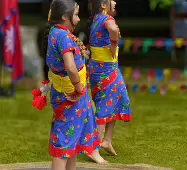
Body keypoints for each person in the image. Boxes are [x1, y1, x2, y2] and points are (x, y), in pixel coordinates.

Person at [41, 0, 107, 169]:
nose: (78, 19)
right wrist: (79, 89)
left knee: (72, 141)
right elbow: (70, 67)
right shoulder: (63, 36)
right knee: (64, 143)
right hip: (70, 97)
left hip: (66, 95)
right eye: (76, 15)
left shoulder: (56, 32)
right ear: (64, 16)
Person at [88, 0, 132, 156]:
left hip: (103, 68)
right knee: (105, 104)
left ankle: (107, 140)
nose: (116, 3)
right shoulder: (107, 19)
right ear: (103, 5)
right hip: (105, 70)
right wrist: (114, 42)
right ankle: (94, 147)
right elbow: (112, 29)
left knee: (119, 98)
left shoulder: (96, 19)